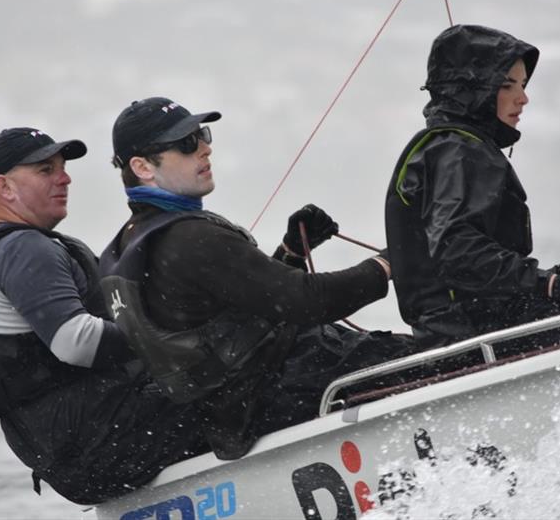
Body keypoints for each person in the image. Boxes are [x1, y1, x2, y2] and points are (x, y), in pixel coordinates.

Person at [100, 97, 418, 460]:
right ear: (142, 167)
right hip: (282, 388)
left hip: (234, 411)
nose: (205, 148)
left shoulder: (126, 245)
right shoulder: (191, 238)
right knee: (438, 354)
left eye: (202, 135)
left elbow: (240, 318)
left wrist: (291, 253)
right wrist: (389, 262)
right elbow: (308, 301)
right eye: (187, 144)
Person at [0, 127, 209, 505]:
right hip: (101, 443)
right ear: (5, 188)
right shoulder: (25, 249)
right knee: (253, 373)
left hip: (69, 456)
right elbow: (77, 342)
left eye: (63, 167)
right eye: (45, 170)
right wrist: (185, 333)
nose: (65, 178)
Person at [384, 24, 560, 347]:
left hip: (477, 323)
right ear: (474, 91)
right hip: (472, 335)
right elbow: (459, 252)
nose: (524, 97)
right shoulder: (459, 150)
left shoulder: (448, 147)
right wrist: (554, 285)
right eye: (507, 85)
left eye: (523, 84)